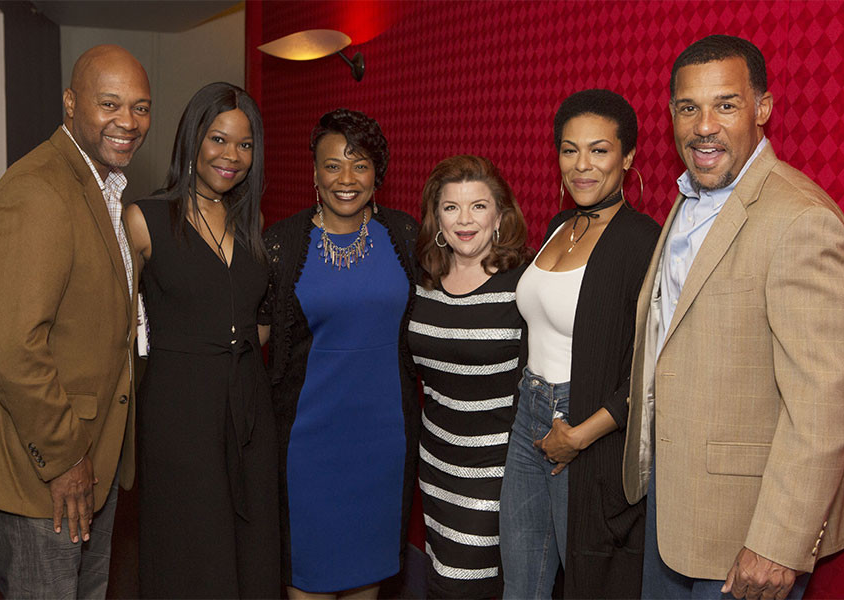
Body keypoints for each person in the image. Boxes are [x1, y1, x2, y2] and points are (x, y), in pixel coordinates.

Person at [622, 35, 844, 600]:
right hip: (673, 508)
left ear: (762, 109)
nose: (704, 125)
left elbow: (824, 398)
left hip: (750, 531)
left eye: (725, 105)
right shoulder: (686, 199)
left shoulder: (801, 219)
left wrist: (780, 540)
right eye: (688, 108)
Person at [0, 45, 150, 597]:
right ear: (71, 104)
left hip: (92, 458)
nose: (128, 122)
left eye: (141, 107)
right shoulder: (38, 190)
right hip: (44, 473)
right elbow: (11, 345)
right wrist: (68, 459)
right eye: (110, 104)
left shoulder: (102, 187)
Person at [499, 89, 661, 599]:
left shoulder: (642, 240)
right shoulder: (558, 225)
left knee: (589, 586)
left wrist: (580, 435)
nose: (582, 165)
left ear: (627, 156)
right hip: (530, 414)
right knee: (521, 586)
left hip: (589, 429)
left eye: (599, 149)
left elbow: (652, 365)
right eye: (569, 150)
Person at [124, 82, 279, 598]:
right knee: (191, 550)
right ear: (192, 140)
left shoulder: (251, 222)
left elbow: (257, 320)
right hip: (179, 411)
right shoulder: (144, 220)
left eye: (244, 144)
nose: (231, 156)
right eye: (218, 139)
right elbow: (116, 325)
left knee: (252, 546)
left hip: (249, 408)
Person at [262, 108, 420, 599]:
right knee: (307, 579)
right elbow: (253, 338)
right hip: (309, 446)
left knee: (365, 580)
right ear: (314, 173)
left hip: (382, 444)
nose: (346, 179)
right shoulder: (282, 246)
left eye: (361, 165)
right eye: (333, 165)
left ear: (378, 174)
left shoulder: (405, 235)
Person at [408, 155, 532, 599]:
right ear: (436, 217)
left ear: (500, 215)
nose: (465, 220)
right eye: (451, 207)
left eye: (478, 206)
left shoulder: (525, 284)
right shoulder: (423, 282)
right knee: (440, 578)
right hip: (436, 461)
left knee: (465, 587)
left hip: (494, 470)